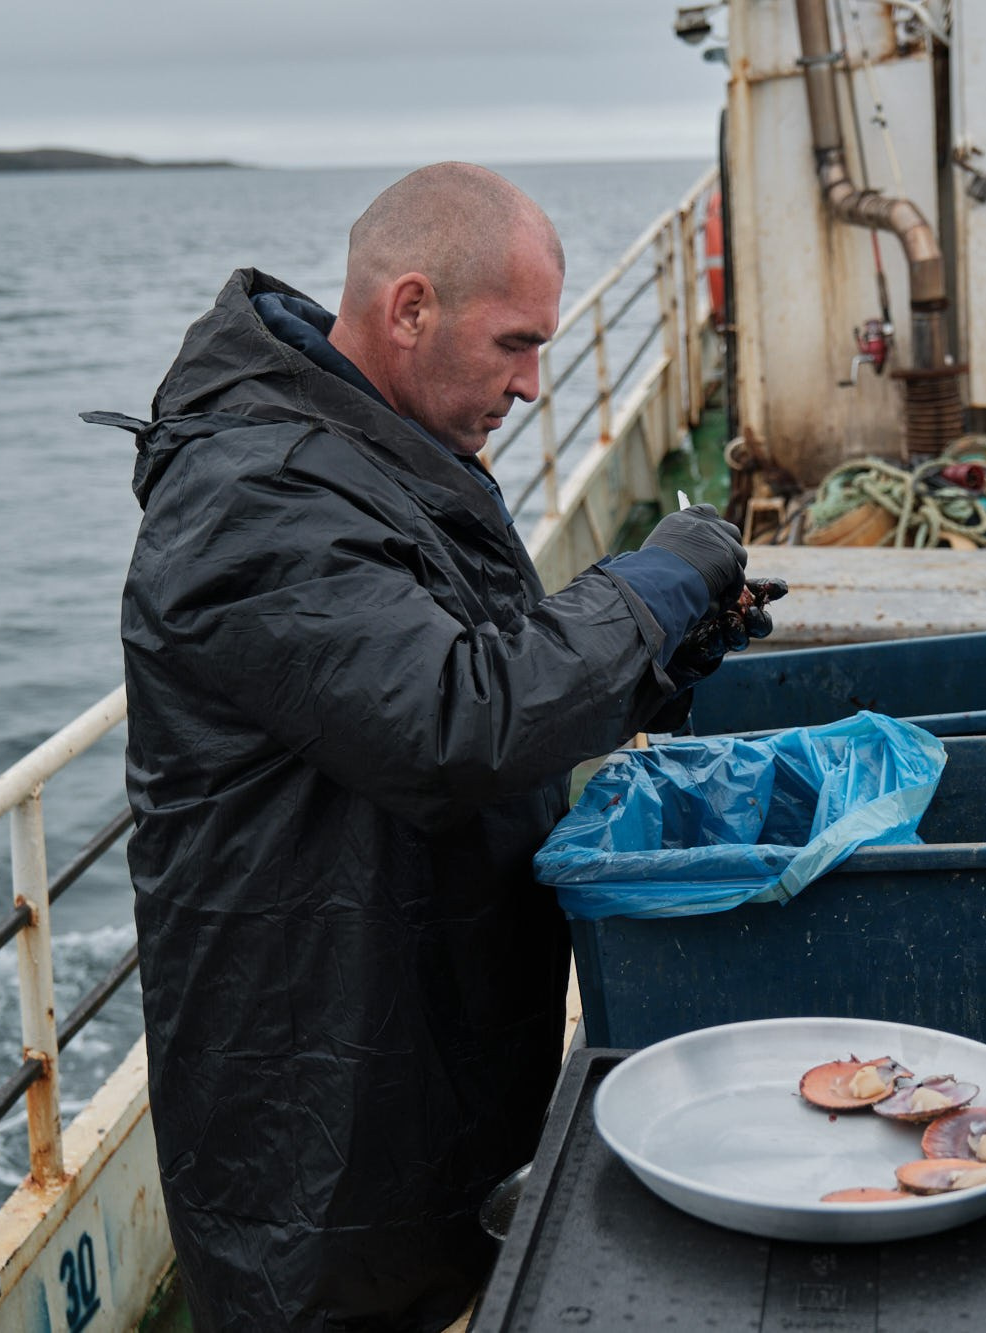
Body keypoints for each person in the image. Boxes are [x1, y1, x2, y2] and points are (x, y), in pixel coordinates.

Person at [105, 163, 746, 1331]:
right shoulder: (257, 492)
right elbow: (457, 719)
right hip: (317, 1137)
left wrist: (654, 666)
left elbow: (467, 665)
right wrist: (652, 587)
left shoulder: (372, 450)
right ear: (408, 309)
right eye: (513, 344)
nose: (532, 384)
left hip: (420, 1066)